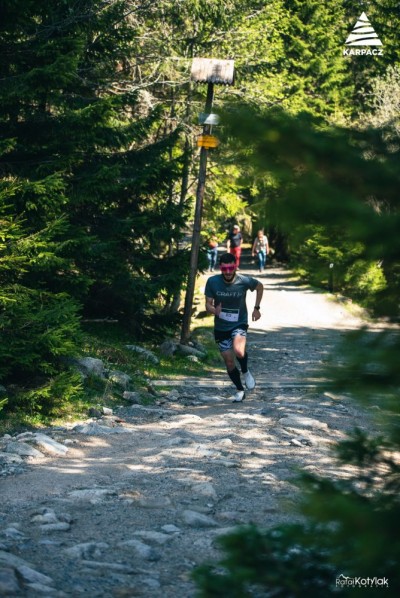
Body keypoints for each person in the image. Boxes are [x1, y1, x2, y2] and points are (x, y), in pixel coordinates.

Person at [205, 252, 264, 402]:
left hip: (239, 322)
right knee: (229, 362)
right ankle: (239, 390)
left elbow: (260, 287)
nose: (228, 272)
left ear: (235, 267)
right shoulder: (212, 282)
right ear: (220, 268)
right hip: (221, 327)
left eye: (231, 268)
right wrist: (214, 311)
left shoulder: (243, 280)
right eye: (224, 269)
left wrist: (256, 308)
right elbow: (208, 304)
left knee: (239, 350)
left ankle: (245, 371)